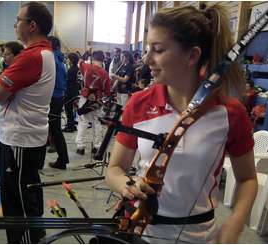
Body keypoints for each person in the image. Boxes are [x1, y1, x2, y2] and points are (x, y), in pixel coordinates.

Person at [106, 5, 257, 244]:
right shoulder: (139, 103)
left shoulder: (230, 113)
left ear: (192, 56)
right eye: (147, 49)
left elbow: (247, 178)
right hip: (141, 230)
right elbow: (114, 169)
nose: (147, 60)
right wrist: (127, 185)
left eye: (157, 50)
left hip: (200, 236)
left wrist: (235, 222)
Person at [0, 2, 55, 243]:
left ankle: (27, 240)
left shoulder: (32, 56)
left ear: (32, 25)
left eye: (18, 19)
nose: (15, 24)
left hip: (20, 140)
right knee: (27, 192)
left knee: (17, 202)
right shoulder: (42, 53)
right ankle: (34, 234)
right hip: (25, 137)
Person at [0, 41, 24, 190]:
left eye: (8, 54)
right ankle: (6, 181)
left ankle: (10, 183)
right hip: (5, 122)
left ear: (18, 55)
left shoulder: (18, 72)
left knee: (12, 164)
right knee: (5, 158)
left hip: (14, 126)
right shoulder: (9, 69)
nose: (4, 58)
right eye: (3, 55)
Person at [75, 50, 111, 155]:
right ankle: (97, 146)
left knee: (83, 122)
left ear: (92, 58)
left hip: (86, 97)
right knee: (97, 122)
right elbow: (108, 91)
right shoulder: (105, 74)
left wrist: (86, 53)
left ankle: (80, 147)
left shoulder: (86, 67)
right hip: (98, 100)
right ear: (103, 60)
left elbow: (79, 62)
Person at [47, 36, 69, 170]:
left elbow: (49, 79)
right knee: (54, 129)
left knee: (54, 129)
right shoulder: (60, 59)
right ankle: (62, 159)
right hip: (59, 95)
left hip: (52, 96)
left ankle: (62, 159)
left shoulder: (52, 58)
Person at [63, 52, 81, 132]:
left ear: (72, 60)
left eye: (68, 59)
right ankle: (71, 123)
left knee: (68, 108)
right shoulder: (76, 68)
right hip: (74, 90)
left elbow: (69, 82)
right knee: (71, 108)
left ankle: (70, 126)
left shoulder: (71, 70)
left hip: (70, 91)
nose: (67, 60)